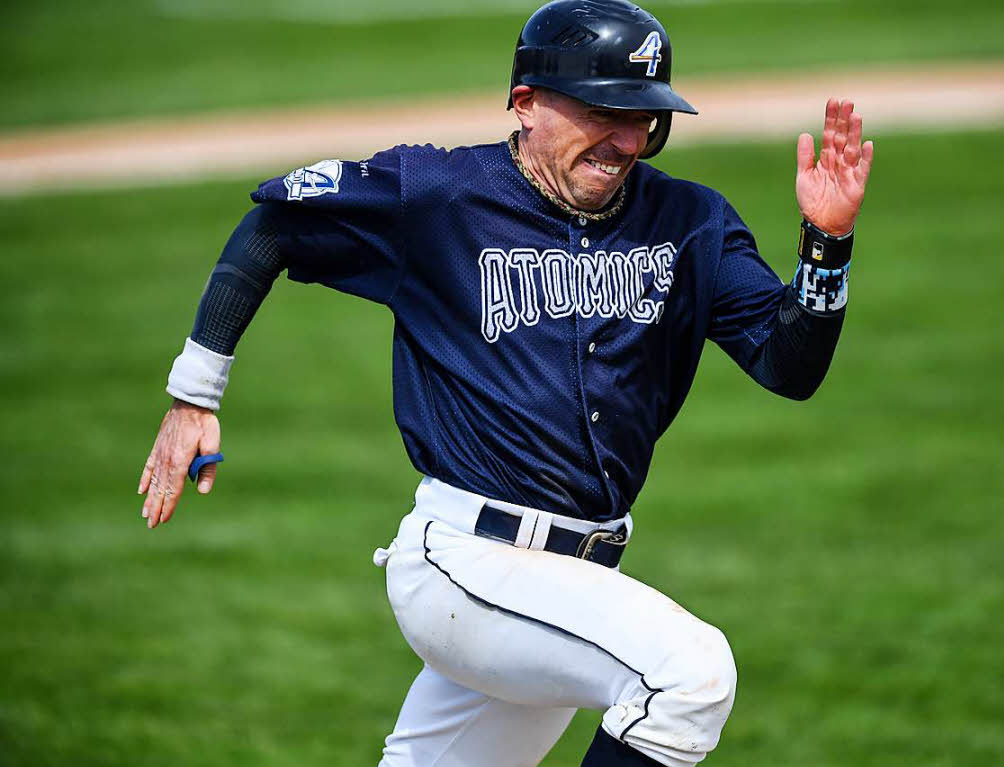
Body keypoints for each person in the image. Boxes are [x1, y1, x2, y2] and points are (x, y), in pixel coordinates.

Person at [138, 1, 873, 765]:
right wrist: (196, 393)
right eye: (604, 111)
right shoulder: (439, 195)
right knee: (687, 673)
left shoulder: (690, 222)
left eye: (646, 120)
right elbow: (273, 225)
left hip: (568, 585)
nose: (627, 141)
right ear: (525, 103)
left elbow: (788, 368)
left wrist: (827, 244)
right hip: (466, 564)